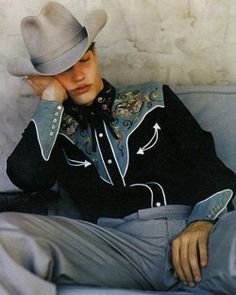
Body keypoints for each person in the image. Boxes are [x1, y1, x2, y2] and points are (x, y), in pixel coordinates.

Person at [5, 1, 236, 294]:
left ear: (96, 55)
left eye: (84, 60)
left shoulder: (156, 98)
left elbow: (207, 164)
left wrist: (201, 222)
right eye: (63, 71)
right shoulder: (52, 131)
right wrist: (50, 102)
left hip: (195, 236)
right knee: (6, 232)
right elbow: (26, 177)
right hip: (114, 250)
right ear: (45, 80)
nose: (78, 77)